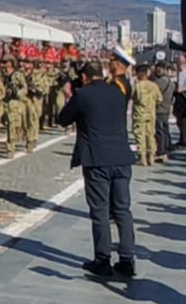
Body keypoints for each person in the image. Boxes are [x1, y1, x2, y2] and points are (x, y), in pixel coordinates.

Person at [55, 63, 137, 279]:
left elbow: (63, 119)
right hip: (121, 157)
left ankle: (102, 260)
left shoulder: (83, 95)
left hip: (97, 159)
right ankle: (127, 260)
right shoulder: (118, 92)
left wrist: (68, 95)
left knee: (100, 210)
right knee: (122, 210)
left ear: (84, 77)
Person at [130, 65, 162, 167]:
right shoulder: (154, 85)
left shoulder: (137, 86)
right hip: (151, 114)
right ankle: (151, 157)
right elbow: (159, 99)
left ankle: (142, 158)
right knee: (150, 135)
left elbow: (133, 97)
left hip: (139, 114)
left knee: (140, 135)